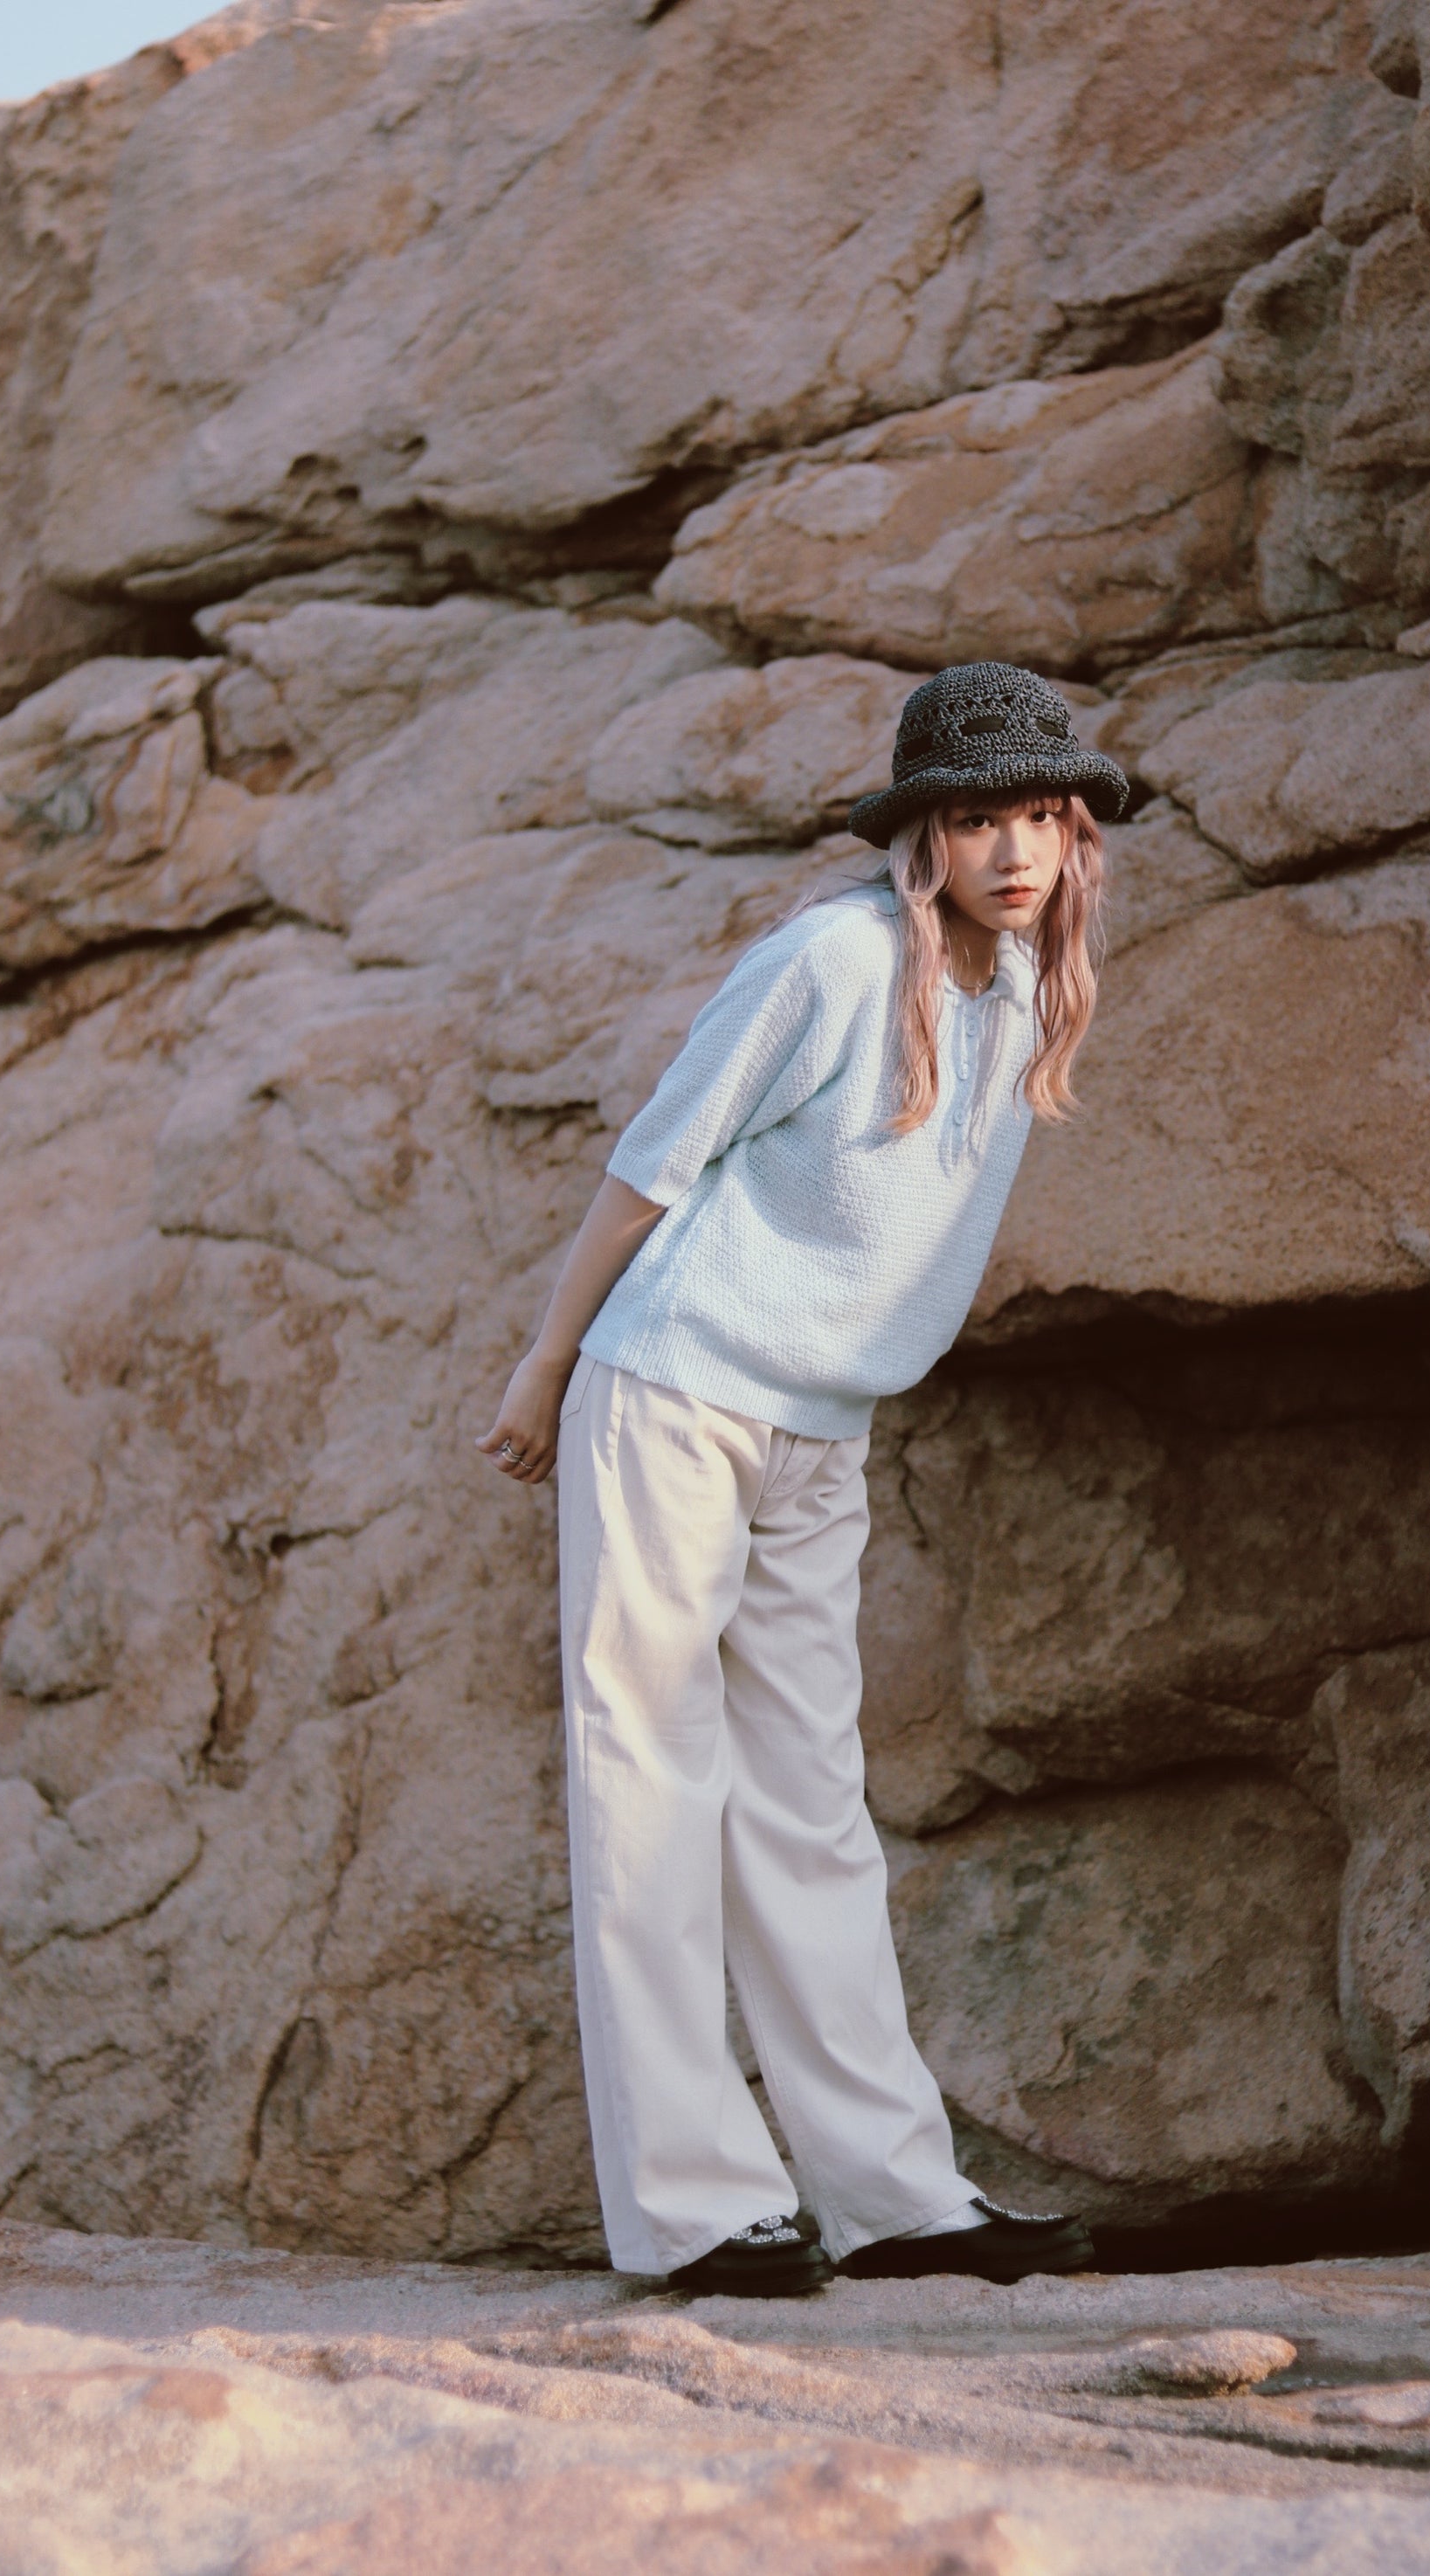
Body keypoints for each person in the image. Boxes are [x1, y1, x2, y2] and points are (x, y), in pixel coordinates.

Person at [478, 662, 1128, 2297]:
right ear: (919, 835)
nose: (1011, 851)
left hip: (819, 1427)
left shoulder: (1024, 986)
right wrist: (547, 1361)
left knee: (809, 1804)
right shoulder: (830, 959)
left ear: (1073, 833)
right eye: (972, 820)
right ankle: (697, 2206)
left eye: (1037, 817)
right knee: (649, 1775)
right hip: (673, 1389)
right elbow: (653, 1163)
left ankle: (891, 2197)